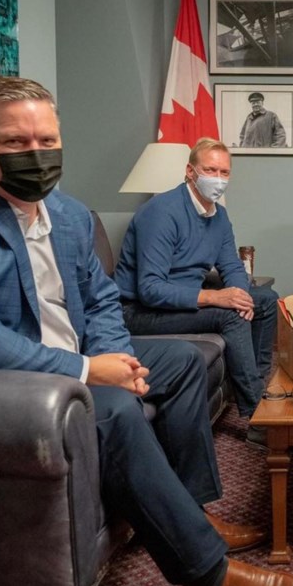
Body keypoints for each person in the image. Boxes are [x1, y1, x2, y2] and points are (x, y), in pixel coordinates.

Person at [0, 77, 293, 586]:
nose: (35, 154)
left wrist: (115, 353)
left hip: (78, 349)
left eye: (47, 141)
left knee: (179, 364)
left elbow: (103, 300)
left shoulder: (66, 213)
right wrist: (90, 371)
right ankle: (207, 573)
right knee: (109, 405)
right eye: (16, 143)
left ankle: (193, 509)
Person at [115, 137, 280, 447]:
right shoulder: (160, 213)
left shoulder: (218, 216)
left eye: (224, 172)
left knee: (267, 301)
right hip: (141, 312)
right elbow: (150, 289)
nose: (217, 179)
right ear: (190, 172)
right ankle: (258, 418)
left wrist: (240, 295)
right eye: (210, 170)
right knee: (228, 316)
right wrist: (217, 297)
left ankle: (259, 392)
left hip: (184, 302)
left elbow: (232, 267)